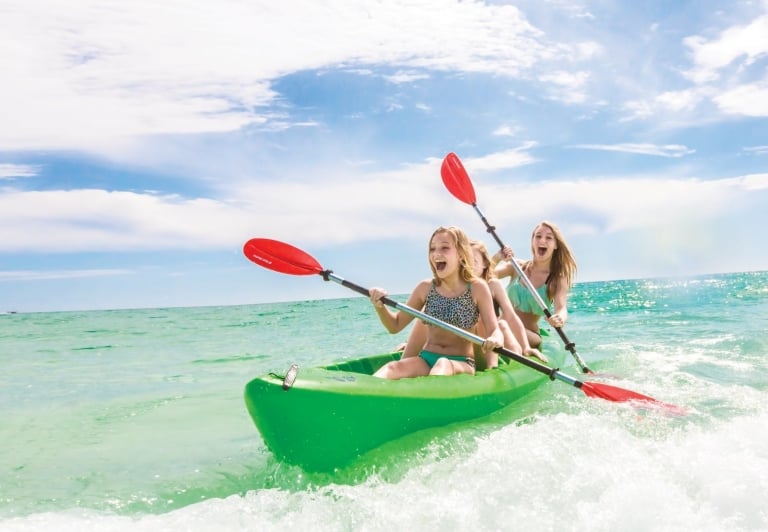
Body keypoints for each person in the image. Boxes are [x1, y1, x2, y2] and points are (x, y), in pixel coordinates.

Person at [369, 226, 503, 379]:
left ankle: (426, 397)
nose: (436, 254)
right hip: (426, 359)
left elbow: (494, 329)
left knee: (442, 364)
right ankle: (363, 394)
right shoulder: (425, 288)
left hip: (461, 363)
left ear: (461, 254)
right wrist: (380, 307)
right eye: (432, 249)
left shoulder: (477, 288)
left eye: (445, 247)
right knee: (393, 367)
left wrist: (496, 339)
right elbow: (395, 325)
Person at [397, 239, 547, 368]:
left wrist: (526, 346)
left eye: (473, 262)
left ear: (484, 265)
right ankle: (408, 359)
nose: (467, 266)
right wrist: (411, 342)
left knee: (500, 324)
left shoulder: (492, 284)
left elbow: (510, 316)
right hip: (462, 350)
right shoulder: (455, 289)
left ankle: (504, 366)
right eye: (463, 261)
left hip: (488, 347)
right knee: (427, 312)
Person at [494, 220, 577, 349]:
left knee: (501, 326)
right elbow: (481, 276)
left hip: (529, 334)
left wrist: (559, 318)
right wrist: (497, 257)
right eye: (538, 236)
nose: (542, 240)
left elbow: (561, 308)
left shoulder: (557, 278)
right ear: (533, 241)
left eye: (548, 237)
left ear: (555, 245)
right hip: (500, 323)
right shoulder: (516, 266)